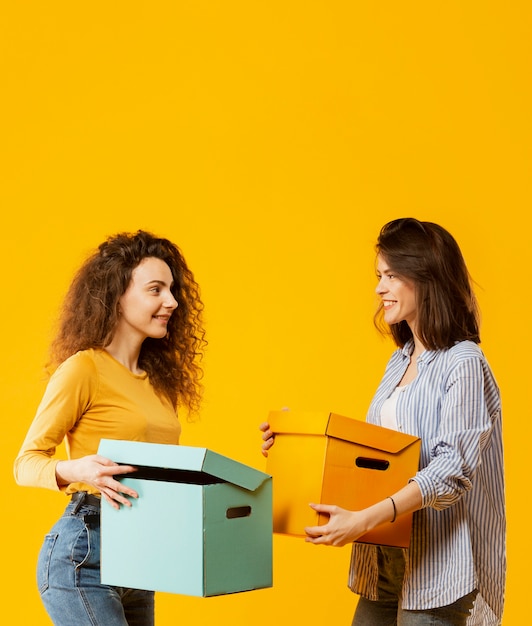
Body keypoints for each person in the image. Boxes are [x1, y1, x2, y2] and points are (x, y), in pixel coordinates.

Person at [261, 218, 506, 626]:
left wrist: (365, 518)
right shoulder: (400, 360)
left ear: (426, 277)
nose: (379, 288)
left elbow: (451, 472)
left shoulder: (463, 362)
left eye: (391, 275)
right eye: (379, 275)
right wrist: (296, 443)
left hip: (439, 569)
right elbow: (378, 458)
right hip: (386, 563)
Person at [14, 230, 206, 626]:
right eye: (156, 289)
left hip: (141, 555)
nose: (171, 301)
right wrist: (76, 469)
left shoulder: (158, 383)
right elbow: (25, 463)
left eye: (172, 290)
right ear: (117, 295)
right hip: (86, 552)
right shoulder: (84, 369)